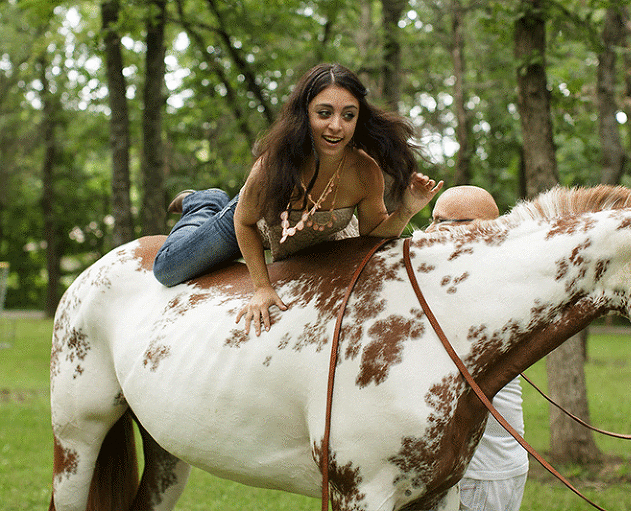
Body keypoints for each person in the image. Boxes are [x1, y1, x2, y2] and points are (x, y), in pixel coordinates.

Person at [153, 63, 443, 334]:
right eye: (324, 113)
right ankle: (204, 203)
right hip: (252, 223)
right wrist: (262, 287)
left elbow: (372, 237)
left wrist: (406, 209)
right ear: (305, 114)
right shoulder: (273, 165)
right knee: (167, 270)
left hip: (317, 239)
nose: (336, 126)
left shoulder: (365, 171)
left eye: (348, 115)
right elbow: (244, 222)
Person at [425, 185, 528, 511]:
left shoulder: (488, 290)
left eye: (440, 222)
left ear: (475, 230)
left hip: (483, 475)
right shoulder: (477, 277)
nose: (428, 231)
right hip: (472, 468)